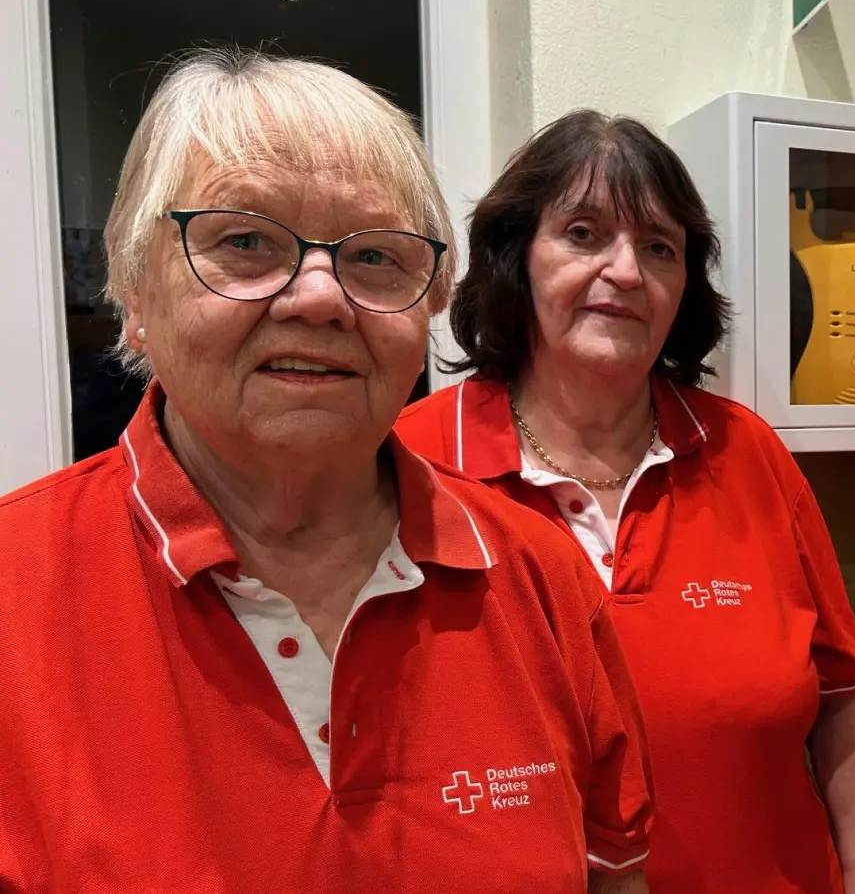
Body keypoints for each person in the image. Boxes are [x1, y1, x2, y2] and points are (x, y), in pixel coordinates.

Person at [0, 51, 651, 893]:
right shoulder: (17, 589)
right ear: (133, 287)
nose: (318, 296)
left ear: (429, 304)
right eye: (244, 241)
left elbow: (615, 878)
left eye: (376, 256)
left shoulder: (541, 579)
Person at [394, 110, 855, 894]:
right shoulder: (411, 465)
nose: (625, 271)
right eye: (585, 233)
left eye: (659, 247)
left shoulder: (749, 452)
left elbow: (847, 719)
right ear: (514, 258)